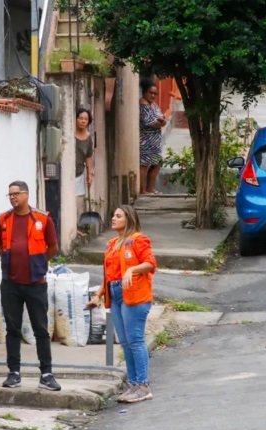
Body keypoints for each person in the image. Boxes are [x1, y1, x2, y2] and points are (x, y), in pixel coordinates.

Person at [86, 205, 157, 402]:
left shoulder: (138, 240)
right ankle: (133, 385)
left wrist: (131, 270)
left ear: (129, 219)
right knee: (125, 342)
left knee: (135, 340)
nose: (113, 218)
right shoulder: (112, 244)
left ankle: (143, 385)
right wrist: (98, 295)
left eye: (118, 216)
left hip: (134, 294)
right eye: (113, 215)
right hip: (115, 294)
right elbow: (109, 275)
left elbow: (150, 263)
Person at [0, 181, 61, 391]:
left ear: (26, 194)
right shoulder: (4, 219)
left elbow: (52, 247)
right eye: (10, 194)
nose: (13, 197)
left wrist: (38, 263)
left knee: (41, 329)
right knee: (12, 329)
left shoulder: (42, 218)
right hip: (10, 283)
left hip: (36, 283)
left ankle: (47, 374)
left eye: (17, 194)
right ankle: (14, 373)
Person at [139, 80, 166, 195]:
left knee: (157, 163)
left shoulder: (153, 105)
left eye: (155, 93)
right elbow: (150, 122)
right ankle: (143, 190)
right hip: (146, 140)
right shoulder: (143, 105)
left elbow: (162, 118)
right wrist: (160, 122)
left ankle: (150, 188)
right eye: (151, 93)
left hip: (155, 141)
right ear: (144, 92)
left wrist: (160, 121)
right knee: (144, 165)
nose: (153, 95)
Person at [75, 108, 95, 202]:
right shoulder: (69, 134)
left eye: (86, 119)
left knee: (78, 201)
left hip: (79, 174)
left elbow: (88, 157)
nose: (83, 121)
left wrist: (90, 173)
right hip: (66, 173)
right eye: (81, 118)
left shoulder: (88, 138)